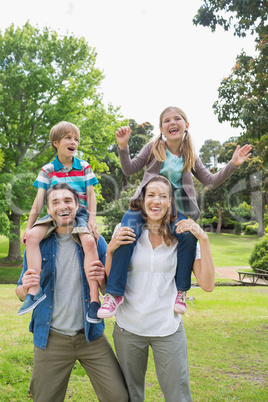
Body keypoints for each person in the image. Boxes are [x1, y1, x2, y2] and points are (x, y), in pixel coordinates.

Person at [97, 106, 251, 318]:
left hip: (174, 211)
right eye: (166, 120)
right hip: (145, 205)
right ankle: (114, 294)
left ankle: (181, 292)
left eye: (177, 119)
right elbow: (129, 169)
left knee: (188, 235)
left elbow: (210, 180)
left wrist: (233, 164)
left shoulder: (190, 155)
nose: (172, 123)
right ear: (161, 128)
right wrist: (123, 147)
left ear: (186, 125)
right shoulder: (153, 148)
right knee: (126, 231)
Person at [104, 176, 215, 401]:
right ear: (143, 199)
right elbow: (107, 285)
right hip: (129, 328)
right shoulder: (126, 228)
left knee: (178, 396)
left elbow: (208, 284)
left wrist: (203, 238)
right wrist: (109, 251)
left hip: (168, 329)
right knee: (130, 396)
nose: (157, 201)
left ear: (171, 202)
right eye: (151, 195)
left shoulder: (182, 236)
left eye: (163, 196)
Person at [16, 183, 129, 402]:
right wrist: (25, 287)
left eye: (68, 201)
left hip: (90, 336)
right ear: (48, 210)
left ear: (77, 206)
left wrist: (101, 279)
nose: (62, 206)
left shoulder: (95, 241)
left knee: (118, 396)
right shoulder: (38, 244)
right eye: (55, 202)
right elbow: (21, 291)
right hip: (51, 338)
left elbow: (108, 289)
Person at [19, 121, 101, 324]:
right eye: (68, 138)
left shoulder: (84, 166)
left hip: (78, 214)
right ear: (56, 142)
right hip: (54, 215)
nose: (73, 142)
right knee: (31, 238)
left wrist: (92, 219)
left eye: (76, 139)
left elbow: (91, 195)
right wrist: (29, 228)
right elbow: (38, 201)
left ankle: (94, 300)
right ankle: (34, 290)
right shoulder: (48, 169)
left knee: (90, 242)